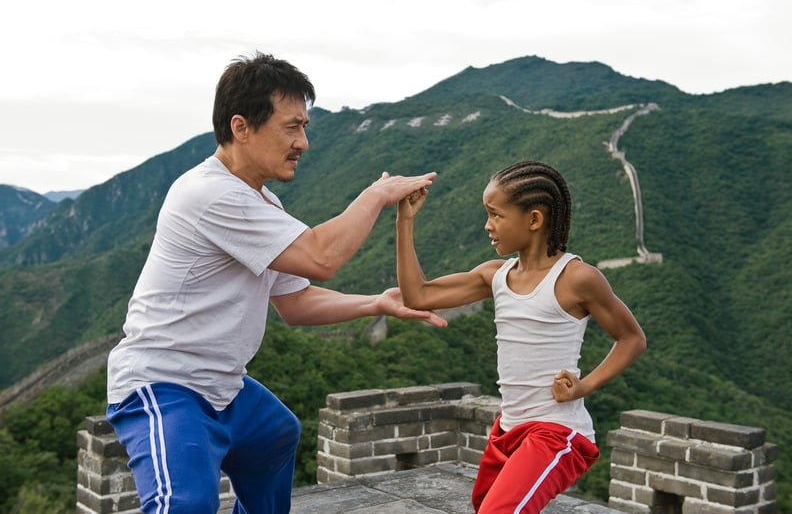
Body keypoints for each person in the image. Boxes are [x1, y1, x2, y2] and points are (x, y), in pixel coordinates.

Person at [105, 51, 445, 514]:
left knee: (276, 433)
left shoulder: (263, 205)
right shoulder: (210, 193)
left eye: (304, 127)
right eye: (291, 127)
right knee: (183, 504)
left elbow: (296, 302)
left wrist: (377, 303)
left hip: (224, 386)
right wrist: (376, 194)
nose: (303, 141)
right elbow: (321, 257)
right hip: (164, 383)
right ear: (241, 126)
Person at [396, 160, 646, 514]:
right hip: (508, 429)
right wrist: (404, 221)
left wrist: (583, 386)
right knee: (485, 505)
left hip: (557, 432)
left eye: (496, 215)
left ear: (533, 220)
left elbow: (632, 339)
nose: (487, 225)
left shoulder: (577, 278)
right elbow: (417, 296)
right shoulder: (495, 275)